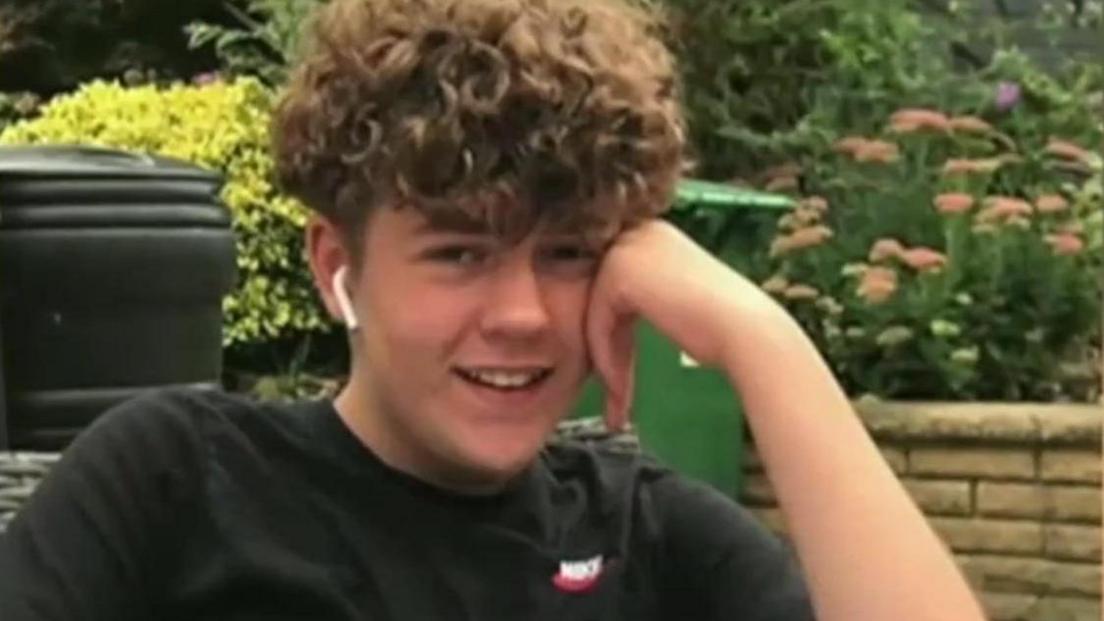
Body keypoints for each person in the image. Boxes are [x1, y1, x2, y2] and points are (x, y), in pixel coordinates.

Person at [0, 0, 986, 619]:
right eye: (460, 252)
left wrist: (760, 338)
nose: (523, 313)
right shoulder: (177, 482)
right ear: (338, 265)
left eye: (567, 253)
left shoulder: (648, 538)